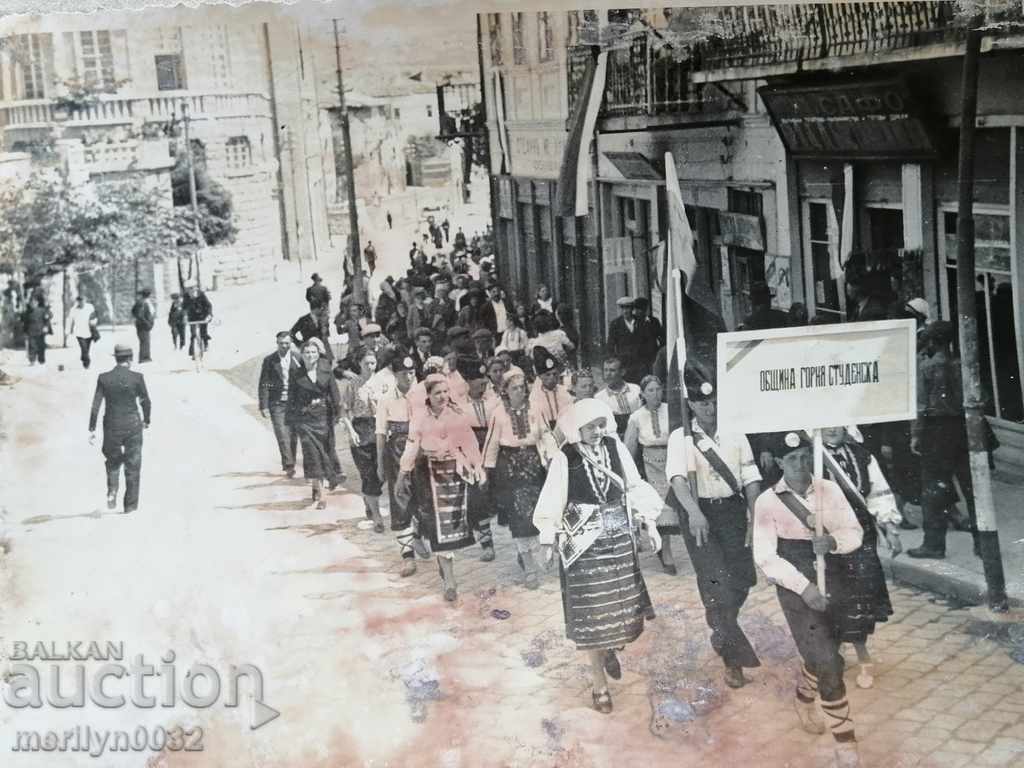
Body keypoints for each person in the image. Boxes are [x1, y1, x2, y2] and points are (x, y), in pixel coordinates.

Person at [533, 398, 663, 714]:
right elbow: (552, 498)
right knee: (591, 617)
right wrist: (548, 539)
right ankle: (598, 685)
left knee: (616, 610)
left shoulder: (615, 449)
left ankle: (608, 649)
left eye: (600, 424)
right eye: (590, 427)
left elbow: (634, 486)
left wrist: (650, 523)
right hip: (584, 547)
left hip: (617, 543)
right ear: (576, 429)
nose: (597, 431)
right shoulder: (566, 459)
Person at [752, 431, 863, 767]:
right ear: (779, 462)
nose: (799, 465)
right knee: (830, 663)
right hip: (795, 584)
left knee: (828, 651)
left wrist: (833, 543)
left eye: (803, 456)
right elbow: (766, 556)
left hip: (835, 577)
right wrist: (804, 587)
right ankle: (847, 748)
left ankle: (803, 696)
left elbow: (853, 531)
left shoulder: (828, 490)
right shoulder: (767, 502)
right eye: (791, 460)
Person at [666, 375, 763, 689]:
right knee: (717, 584)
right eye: (703, 403)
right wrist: (694, 512)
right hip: (701, 515)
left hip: (733, 512)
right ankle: (733, 661)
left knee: (743, 578)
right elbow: (678, 479)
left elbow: (750, 475)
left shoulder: (734, 431)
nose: (710, 408)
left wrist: (753, 511)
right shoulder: (681, 437)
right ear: (692, 404)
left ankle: (721, 629)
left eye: (713, 402)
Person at [820, 425, 902, 689]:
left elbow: (878, 492)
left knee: (859, 595)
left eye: (837, 422)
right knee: (830, 592)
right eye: (826, 422)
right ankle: (831, 653)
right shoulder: (810, 456)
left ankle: (863, 657)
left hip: (861, 531)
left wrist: (889, 527)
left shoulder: (863, 455)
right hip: (826, 533)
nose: (832, 429)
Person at [397, 374, 487, 602]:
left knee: (451, 526)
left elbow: (469, 443)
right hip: (428, 475)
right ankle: (450, 579)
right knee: (436, 526)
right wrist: (402, 473)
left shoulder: (457, 415)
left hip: (454, 475)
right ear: (428, 395)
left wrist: (478, 467)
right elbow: (411, 447)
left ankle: (443, 563)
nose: (442, 397)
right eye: (437, 393)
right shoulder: (419, 418)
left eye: (445, 392)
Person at [908, 321, 979, 559]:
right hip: (963, 428)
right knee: (973, 489)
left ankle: (934, 544)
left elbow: (920, 404)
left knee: (933, 490)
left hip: (936, 430)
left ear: (931, 341)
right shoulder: (963, 365)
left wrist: (916, 434)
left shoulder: (926, 367)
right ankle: (982, 542)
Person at [484, 369, 555, 588]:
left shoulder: (536, 408)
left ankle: (531, 554)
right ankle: (529, 566)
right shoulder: (498, 413)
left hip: (533, 467)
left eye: (522, 387)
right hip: (510, 470)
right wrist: (486, 472)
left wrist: (553, 457)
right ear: (505, 391)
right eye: (514, 388)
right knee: (519, 518)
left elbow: (545, 434)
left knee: (537, 515)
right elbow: (492, 443)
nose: (519, 391)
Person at [376, 355, 429, 577]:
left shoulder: (424, 395)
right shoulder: (386, 399)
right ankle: (407, 557)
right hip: (396, 451)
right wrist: (380, 463)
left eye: (411, 373)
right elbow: (380, 433)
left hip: (422, 450)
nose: (408, 377)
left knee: (424, 498)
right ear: (395, 375)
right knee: (400, 500)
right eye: (403, 373)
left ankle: (418, 535)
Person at [88, 344, 151, 514]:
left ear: (115, 358)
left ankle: (112, 489)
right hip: (133, 426)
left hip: (112, 426)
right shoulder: (137, 377)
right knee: (133, 465)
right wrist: (147, 420)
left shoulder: (104, 378)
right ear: (130, 359)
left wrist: (92, 428)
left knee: (113, 460)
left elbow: (96, 405)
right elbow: (146, 401)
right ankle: (130, 507)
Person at [624, 375, 678, 573]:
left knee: (674, 504)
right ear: (643, 394)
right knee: (659, 507)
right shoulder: (636, 417)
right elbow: (629, 449)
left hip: (671, 458)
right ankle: (666, 552)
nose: (656, 394)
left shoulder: (670, 411)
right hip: (650, 464)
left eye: (658, 389)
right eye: (651, 391)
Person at [288, 339, 344, 509]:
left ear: (317, 354)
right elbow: (292, 398)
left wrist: (339, 414)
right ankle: (321, 494)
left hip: (323, 418)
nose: (310, 355)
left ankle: (317, 484)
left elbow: (335, 393)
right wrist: (292, 421)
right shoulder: (296, 374)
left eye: (313, 352)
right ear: (301, 355)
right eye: (307, 353)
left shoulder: (326, 370)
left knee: (325, 453)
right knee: (312, 455)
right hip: (305, 420)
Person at [457, 356, 501, 562]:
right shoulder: (458, 406)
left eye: (485, 378)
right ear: (468, 382)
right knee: (478, 497)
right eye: (478, 380)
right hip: (470, 451)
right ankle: (487, 543)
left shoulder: (494, 401)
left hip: (493, 449)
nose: (484, 383)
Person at [340, 348, 387, 533]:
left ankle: (369, 499)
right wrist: (351, 431)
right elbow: (343, 410)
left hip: (380, 429)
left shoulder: (383, 383)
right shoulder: (353, 385)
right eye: (366, 363)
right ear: (359, 364)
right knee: (368, 474)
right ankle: (376, 516)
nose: (369, 366)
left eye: (372, 363)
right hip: (361, 430)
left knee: (381, 473)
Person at [259, 332, 301, 478]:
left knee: (292, 435)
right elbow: (264, 383)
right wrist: (263, 405)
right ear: (277, 343)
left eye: (287, 343)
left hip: (295, 403)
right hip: (277, 403)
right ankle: (289, 466)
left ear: (291, 344)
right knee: (282, 434)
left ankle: (291, 462)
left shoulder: (298, 358)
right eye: (281, 343)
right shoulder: (270, 360)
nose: (284, 346)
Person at [595, 357, 643, 439]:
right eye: (605, 370)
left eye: (612, 370)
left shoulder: (636, 390)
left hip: (638, 436)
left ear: (622, 372)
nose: (608, 374)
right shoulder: (599, 398)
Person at [529, 346, 573, 431]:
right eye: (547, 375)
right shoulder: (535, 396)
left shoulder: (563, 392)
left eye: (555, 374)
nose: (552, 378)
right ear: (540, 376)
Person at [607, 297, 645, 383]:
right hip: (624, 365)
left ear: (632, 308)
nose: (625, 311)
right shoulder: (615, 324)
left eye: (627, 308)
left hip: (640, 364)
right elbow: (610, 346)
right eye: (622, 308)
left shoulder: (641, 322)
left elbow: (647, 342)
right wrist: (616, 363)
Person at [66, 295, 98, 370]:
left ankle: (83, 357)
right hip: (79, 333)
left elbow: (95, 317)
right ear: (78, 301)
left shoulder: (90, 307)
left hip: (89, 332)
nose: (81, 302)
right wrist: (67, 331)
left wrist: (94, 322)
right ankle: (87, 364)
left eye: (83, 300)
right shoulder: (73, 310)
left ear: (85, 300)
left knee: (86, 349)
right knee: (83, 348)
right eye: (79, 301)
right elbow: (70, 321)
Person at [183, 285, 213, 360]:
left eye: (192, 288)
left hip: (203, 315)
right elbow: (184, 307)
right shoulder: (186, 296)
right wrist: (184, 316)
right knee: (193, 334)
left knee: (203, 332)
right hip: (192, 317)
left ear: (195, 288)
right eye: (189, 289)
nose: (191, 291)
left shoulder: (201, 294)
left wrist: (209, 315)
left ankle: (205, 343)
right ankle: (193, 353)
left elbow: (208, 305)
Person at [23, 293, 51, 365]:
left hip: (40, 331)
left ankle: (41, 360)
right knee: (32, 346)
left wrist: (46, 326)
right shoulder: (27, 312)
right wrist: (25, 332)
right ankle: (32, 360)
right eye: (31, 303)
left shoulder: (42, 310)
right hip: (31, 331)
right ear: (30, 303)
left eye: (34, 302)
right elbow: (25, 322)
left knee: (41, 346)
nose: (33, 304)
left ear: (37, 303)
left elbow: (47, 318)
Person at [131, 289, 156, 363]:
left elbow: (133, 311)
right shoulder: (143, 302)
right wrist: (147, 323)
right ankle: (144, 358)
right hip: (143, 325)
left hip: (142, 324)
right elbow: (140, 315)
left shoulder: (141, 301)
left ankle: (146, 357)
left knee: (145, 341)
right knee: (145, 341)